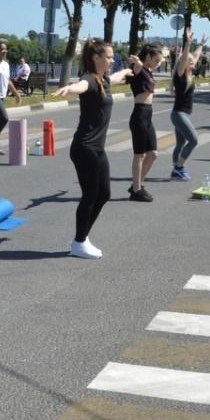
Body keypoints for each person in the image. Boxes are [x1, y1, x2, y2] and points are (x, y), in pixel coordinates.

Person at [52, 40, 139, 259]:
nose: (112, 60)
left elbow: (117, 77)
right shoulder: (90, 79)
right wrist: (69, 88)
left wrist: (128, 70)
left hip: (97, 148)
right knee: (91, 195)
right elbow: (80, 86)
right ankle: (79, 242)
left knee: (104, 194)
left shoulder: (104, 80)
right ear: (96, 58)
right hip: (85, 148)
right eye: (109, 57)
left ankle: (82, 237)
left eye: (112, 57)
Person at [127, 43, 163, 201]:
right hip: (140, 115)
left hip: (148, 116)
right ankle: (136, 190)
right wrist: (138, 62)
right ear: (147, 57)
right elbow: (138, 66)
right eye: (155, 60)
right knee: (139, 155)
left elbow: (149, 65)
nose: (157, 63)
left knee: (153, 154)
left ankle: (137, 184)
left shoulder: (148, 70)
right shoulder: (138, 69)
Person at [170, 28, 202, 181]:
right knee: (194, 140)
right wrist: (188, 43)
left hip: (182, 113)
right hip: (179, 114)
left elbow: (195, 56)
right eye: (191, 63)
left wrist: (201, 44)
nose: (194, 64)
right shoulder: (181, 75)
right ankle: (179, 168)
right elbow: (185, 59)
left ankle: (175, 169)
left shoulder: (189, 73)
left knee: (180, 144)